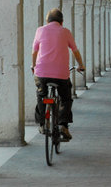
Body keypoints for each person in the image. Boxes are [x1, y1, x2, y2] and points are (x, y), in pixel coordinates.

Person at [31, 8, 85, 139]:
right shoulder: (65, 32)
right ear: (62, 21)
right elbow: (75, 51)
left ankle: (42, 123)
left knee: (41, 95)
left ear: (47, 21)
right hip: (61, 74)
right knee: (66, 98)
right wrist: (81, 65)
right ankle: (63, 126)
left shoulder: (40, 30)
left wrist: (34, 66)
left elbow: (34, 51)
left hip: (42, 73)